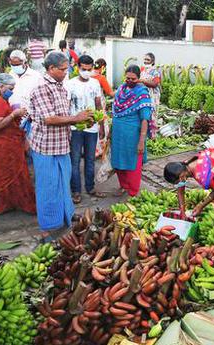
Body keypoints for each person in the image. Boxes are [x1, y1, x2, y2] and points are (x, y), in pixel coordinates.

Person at [27, 52, 90, 241]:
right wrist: (75, 118)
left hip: (62, 145)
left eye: (67, 68)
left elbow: (63, 115)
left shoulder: (62, 87)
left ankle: (66, 217)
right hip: (46, 148)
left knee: (63, 183)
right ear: (51, 68)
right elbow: (49, 119)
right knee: (48, 187)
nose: (66, 72)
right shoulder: (41, 88)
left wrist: (80, 122)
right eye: (63, 69)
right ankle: (47, 228)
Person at [0, 73, 36, 216]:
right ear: (1, 86)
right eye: (10, 88)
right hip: (2, 147)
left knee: (7, 176)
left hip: (2, 145)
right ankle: (21, 204)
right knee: (14, 175)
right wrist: (14, 114)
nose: (12, 91)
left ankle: (6, 205)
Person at [66, 55, 106, 203]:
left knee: (90, 159)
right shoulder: (70, 84)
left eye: (89, 69)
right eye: (84, 69)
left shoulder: (95, 83)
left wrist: (101, 125)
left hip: (92, 127)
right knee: (75, 161)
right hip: (75, 127)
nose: (86, 72)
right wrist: (68, 126)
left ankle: (90, 187)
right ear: (78, 67)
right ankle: (76, 190)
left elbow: (98, 105)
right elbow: (67, 106)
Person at [111, 65, 153, 197]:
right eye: (127, 78)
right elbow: (115, 110)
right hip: (118, 134)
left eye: (133, 79)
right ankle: (123, 186)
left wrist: (141, 140)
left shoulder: (142, 93)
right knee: (118, 161)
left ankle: (133, 191)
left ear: (138, 78)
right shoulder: (121, 89)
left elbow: (145, 119)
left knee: (133, 163)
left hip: (133, 135)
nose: (129, 80)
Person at [140, 53, 161, 137]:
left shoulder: (155, 72)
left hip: (153, 95)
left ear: (152, 61)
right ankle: (144, 133)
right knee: (144, 113)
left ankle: (152, 135)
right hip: (143, 94)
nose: (146, 61)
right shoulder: (142, 70)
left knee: (152, 113)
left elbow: (155, 84)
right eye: (145, 59)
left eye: (148, 60)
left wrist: (143, 81)